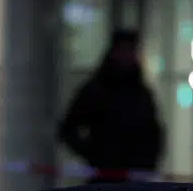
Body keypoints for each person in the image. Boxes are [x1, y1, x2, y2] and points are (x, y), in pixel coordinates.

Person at [58, 29, 163, 182]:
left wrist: (146, 162)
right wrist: (95, 155)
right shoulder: (96, 91)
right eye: (123, 51)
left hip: (135, 180)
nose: (127, 57)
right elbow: (68, 129)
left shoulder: (141, 93)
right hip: (103, 178)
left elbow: (154, 132)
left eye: (131, 51)